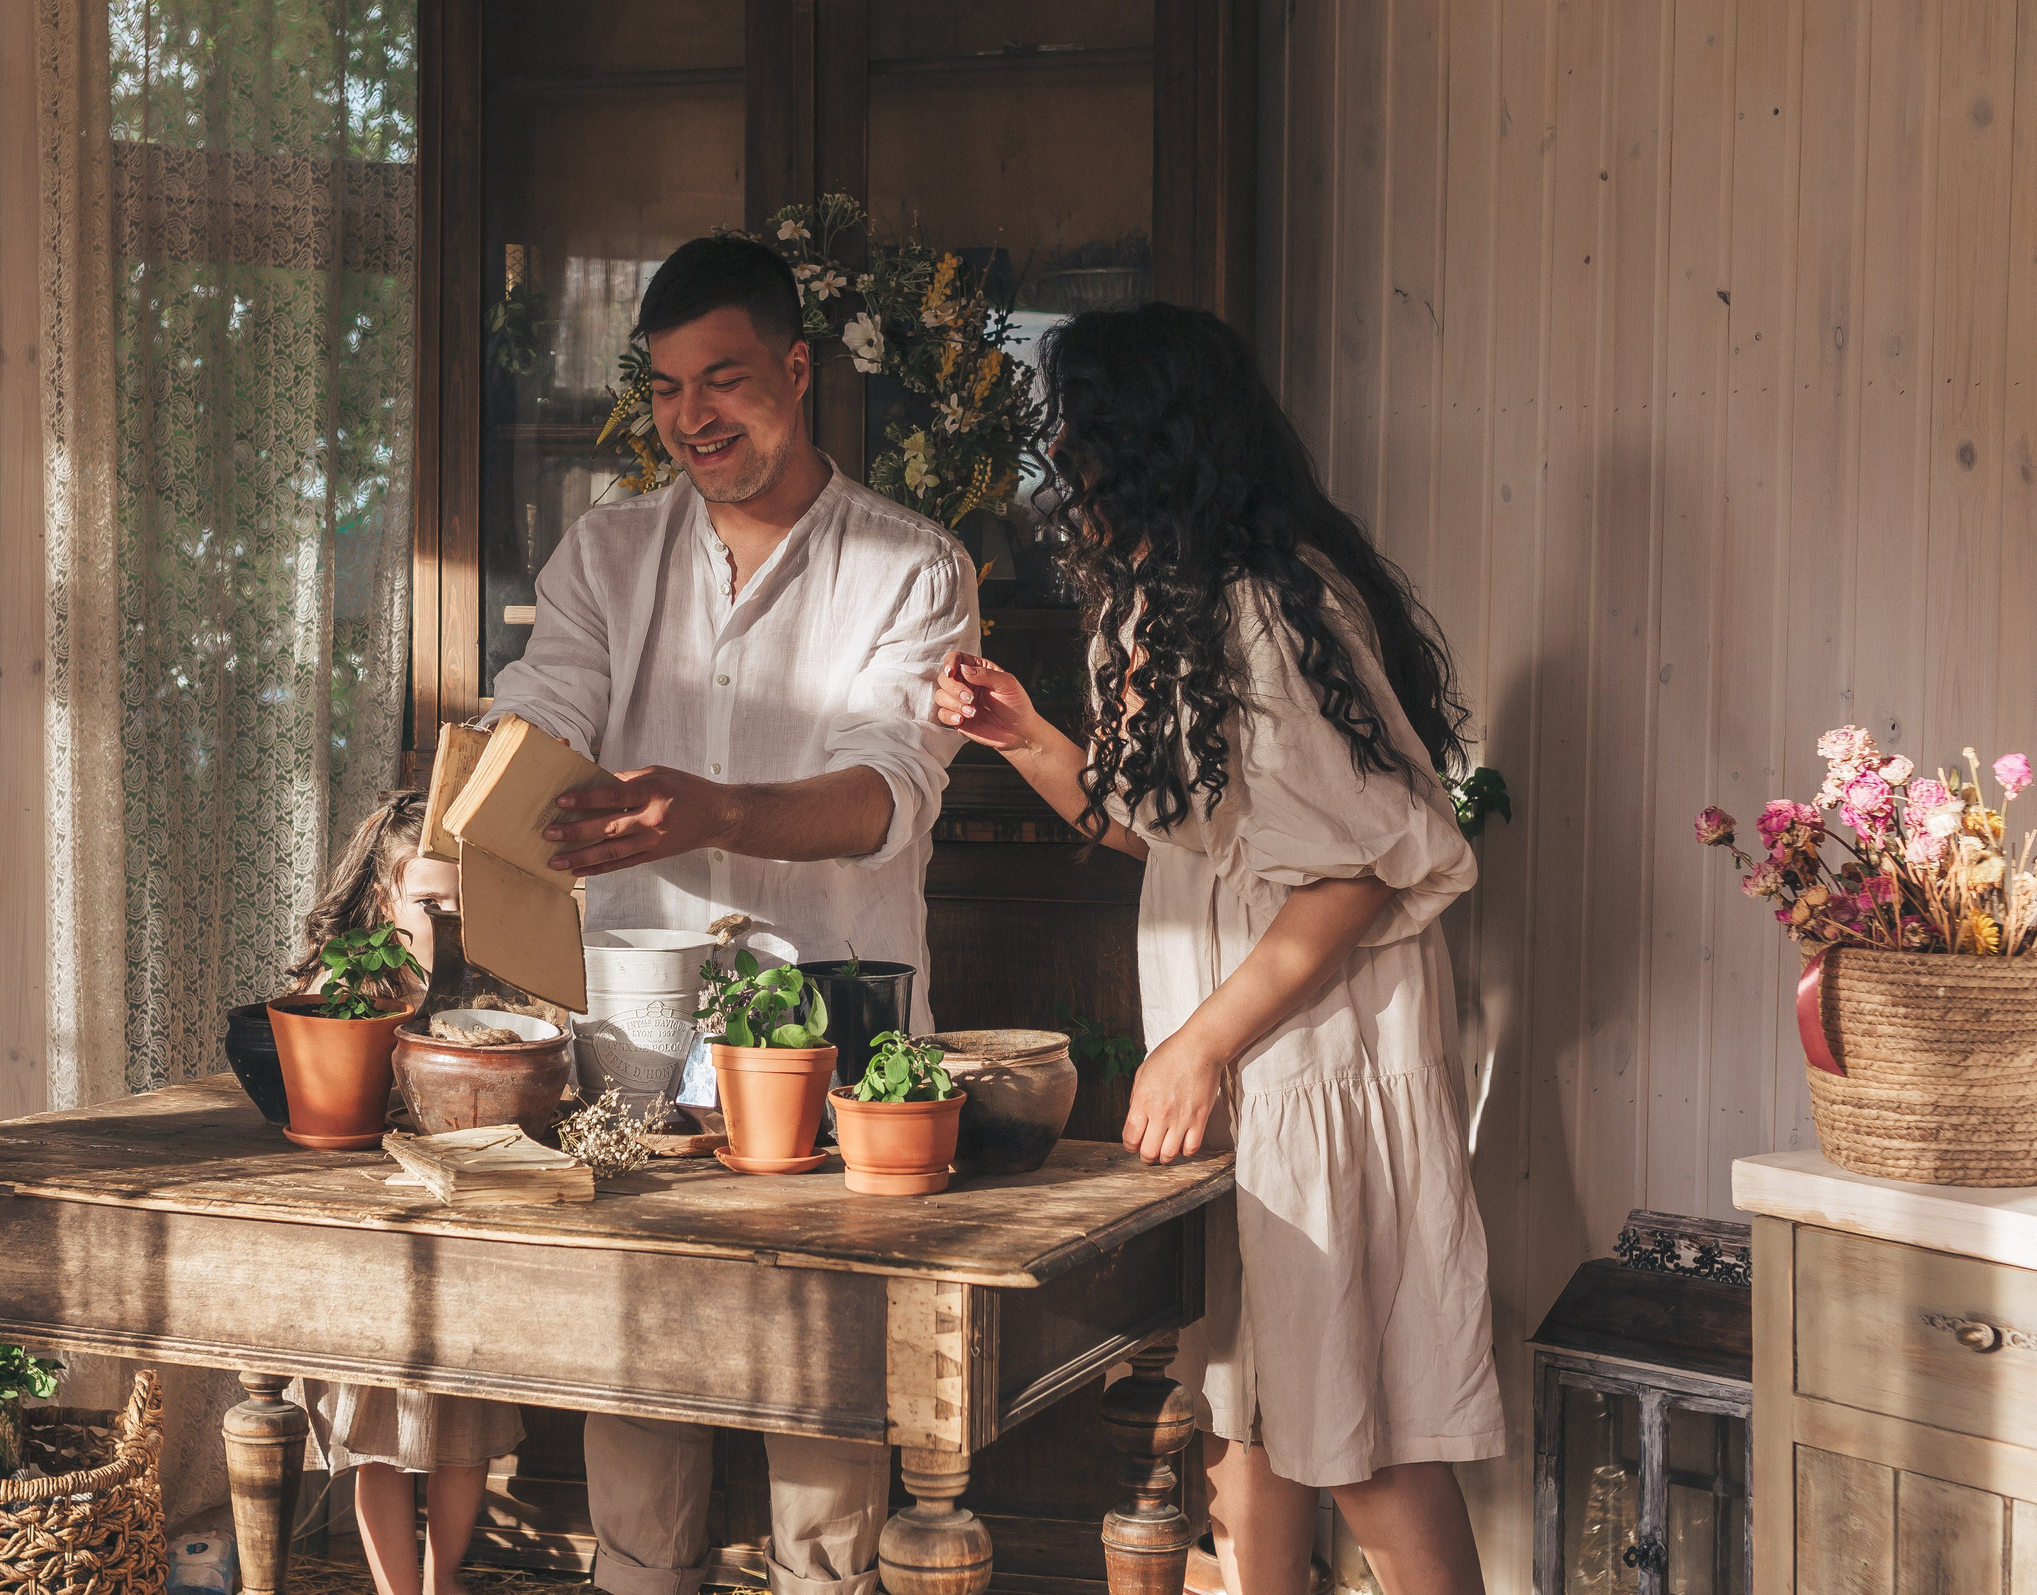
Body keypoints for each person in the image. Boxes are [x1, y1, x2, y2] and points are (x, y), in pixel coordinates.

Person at [931, 305, 1503, 1595]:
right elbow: (1184, 845)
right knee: (1246, 1407)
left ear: (1147, 446)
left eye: (1079, 440)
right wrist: (1022, 734)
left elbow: (1359, 871)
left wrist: (1196, 1045)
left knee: (1363, 1438)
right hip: (1256, 1054)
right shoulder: (1166, 604)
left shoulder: (1259, 608)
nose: (1060, 472)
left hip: (1315, 1059)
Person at [485, 234, 981, 1595]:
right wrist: (477, 801)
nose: (692, 416)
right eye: (664, 388)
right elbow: (550, 702)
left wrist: (715, 809)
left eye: (725, 379)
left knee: (825, 1429)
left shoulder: (913, 565)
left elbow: (889, 792)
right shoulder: (607, 550)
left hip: (836, 1041)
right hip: (636, 1052)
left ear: (799, 370)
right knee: (636, 1407)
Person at [289, 791, 516, 1595]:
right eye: (426, 903)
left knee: (464, 1425)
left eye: (458, 903)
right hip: (370, 1238)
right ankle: (397, 1588)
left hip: (462, 1234)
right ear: (384, 898)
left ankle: (442, 1577)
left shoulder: (489, 990)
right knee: (377, 1430)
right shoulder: (350, 984)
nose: (443, 921)